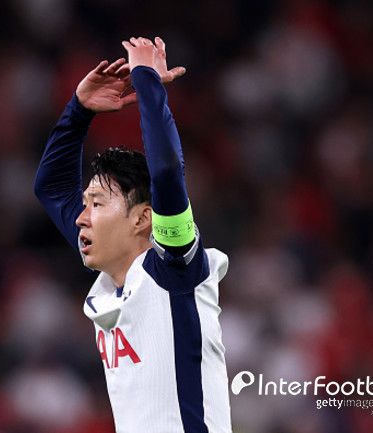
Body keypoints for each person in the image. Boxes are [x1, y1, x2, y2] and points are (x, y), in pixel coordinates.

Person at [34, 36, 232, 433]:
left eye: (96, 204)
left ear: (143, 218)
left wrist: (145, 77)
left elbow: (166, 172)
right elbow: (51, 189)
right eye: (85, 204)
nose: (80, 218)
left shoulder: (174, 270)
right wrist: (79, 111)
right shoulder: (113, 281)